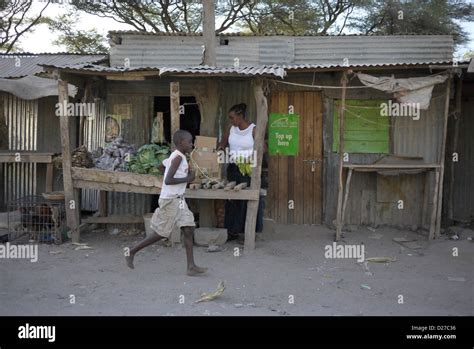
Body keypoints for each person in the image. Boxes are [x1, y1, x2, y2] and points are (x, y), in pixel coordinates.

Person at [125, 130, 207, 276]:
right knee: (161, 233)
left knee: (188, 229)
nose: (191, 144)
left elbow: (161, 166)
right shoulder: (178, 158)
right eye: (189, 142)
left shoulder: (176, 156)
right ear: (181, 142)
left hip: (179, 200)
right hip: (171, 200)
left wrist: (182, 175)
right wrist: (188, 178)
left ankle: (191, 266)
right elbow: (168, 180)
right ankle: (132, 251)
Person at [218, 103, 264, 242]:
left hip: (249, 169)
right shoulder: (230, 129)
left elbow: (263, 148)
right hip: (233, 167)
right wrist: (218, 152)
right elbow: (222, 144)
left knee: (246, 199)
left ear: (240, 116)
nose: (231, 121)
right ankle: (233, 231)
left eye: (232, 118)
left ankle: (248, 232)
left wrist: (251, 157)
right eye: (229, 118)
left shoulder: (253, 129)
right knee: (232, 199)